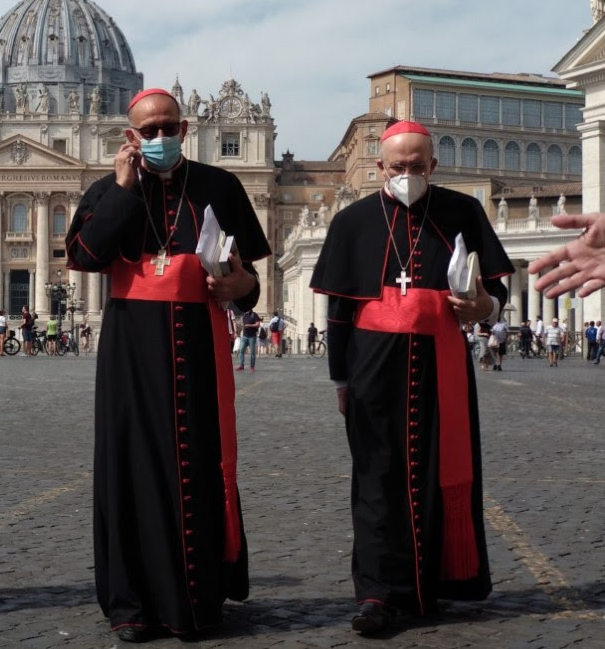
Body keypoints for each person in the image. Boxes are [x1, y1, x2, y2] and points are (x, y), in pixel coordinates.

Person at [66, 88, 270, 641]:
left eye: (168, 127)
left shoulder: (220, 186)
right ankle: (130, 604)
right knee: (129, 466)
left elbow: (249, 283)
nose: (160, 138)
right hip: (130, 350)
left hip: (199, 348)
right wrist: (125, 190)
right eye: (148, 131)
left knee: (199, 462)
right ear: (130, 137)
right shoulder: (109, 190)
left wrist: (238, 284)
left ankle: (197, 598)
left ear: (184, 127)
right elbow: (85, 257)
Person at [310, 121, 512, 635]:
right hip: (371, 366)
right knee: (376, 479)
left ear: (433, 167)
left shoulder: (461, 212)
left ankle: (433, 583)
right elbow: (338, 313)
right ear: (380, 167)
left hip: (441, 361)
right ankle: (378, 593)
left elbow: (495, 293)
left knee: (437, 471)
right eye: (397, 166)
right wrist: (339, 381)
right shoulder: (352, 221)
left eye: (416, 166)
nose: (406, 174)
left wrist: (482, 305)